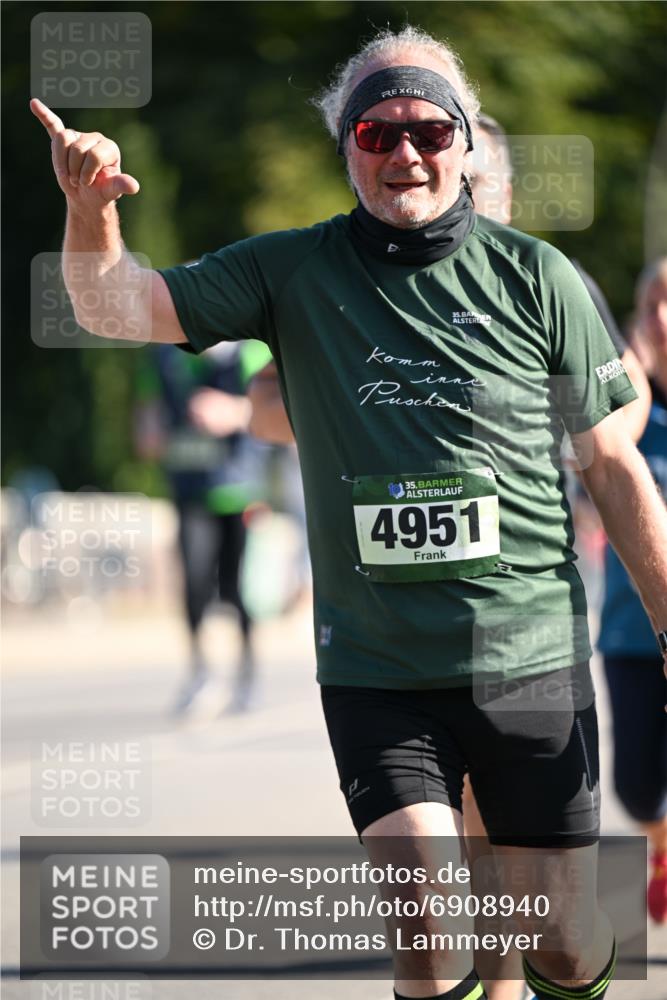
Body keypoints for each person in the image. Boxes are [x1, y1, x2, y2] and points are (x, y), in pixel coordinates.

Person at [31, 24, 667, 1000]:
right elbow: (115, 308)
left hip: (525, 656)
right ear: (347, 146)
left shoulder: (536, 278)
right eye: (376, 132)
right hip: (375, 665)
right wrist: (87, 213)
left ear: (462, 141)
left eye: (424, 130)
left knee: (564, 941)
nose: (403, 152)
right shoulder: (292, 270)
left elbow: (613, 465)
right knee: (421, 924)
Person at [135, 340, 271, 716]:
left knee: (237, 588)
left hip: (238, 492)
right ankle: (201, 672)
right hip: (189, 490)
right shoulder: (162, 355)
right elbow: (148, 414)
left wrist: (235, 411)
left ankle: (247, 674)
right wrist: (149, 432)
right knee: (193, 584)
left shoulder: (252, 353)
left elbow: (279, 409)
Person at [597, 258, 667, 924]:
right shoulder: (622, 398)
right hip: (629, 632)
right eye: (651, 304)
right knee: (637, 787)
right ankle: (659, 841)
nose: (663, 319)